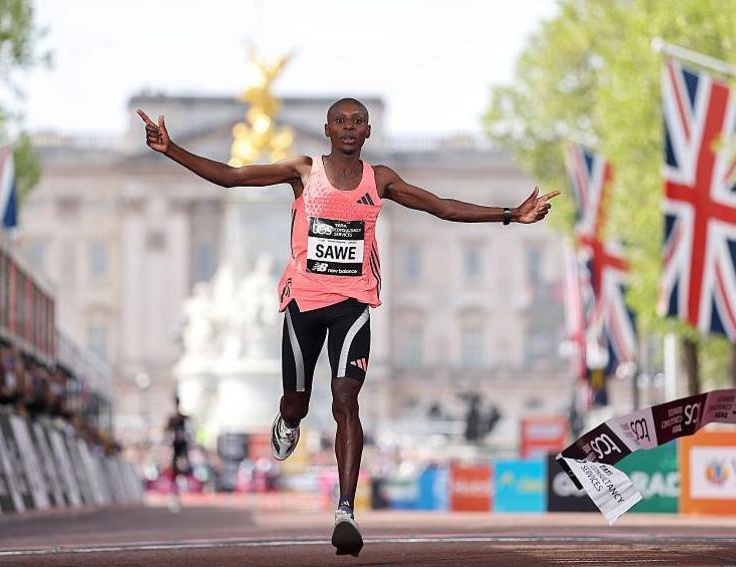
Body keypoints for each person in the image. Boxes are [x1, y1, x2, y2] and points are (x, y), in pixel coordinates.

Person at [137, 99, 557, 556]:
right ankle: (288, 420)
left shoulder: (381, 180)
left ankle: (345, 509)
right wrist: (171, 149)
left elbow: (442, 207)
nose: (349, 128)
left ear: (368, 131)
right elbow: (232, 177)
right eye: (341, 122)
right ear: (327, 129)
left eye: (357, 122)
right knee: (296, 403)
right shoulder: (302, 171)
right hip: (303, 305)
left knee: (345, 401)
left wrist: (510, 215)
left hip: (353, 306)